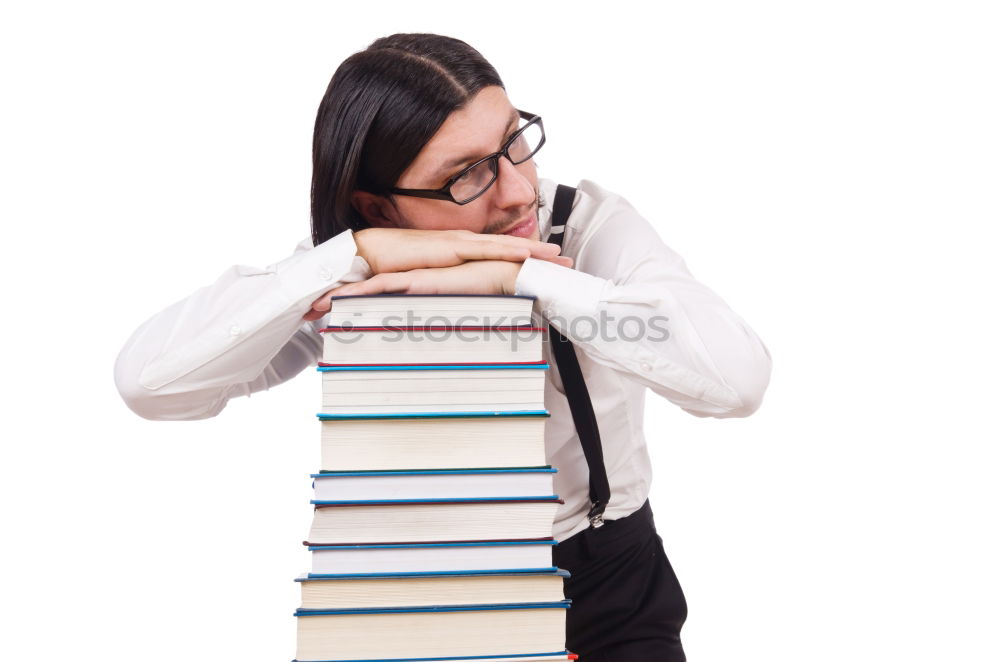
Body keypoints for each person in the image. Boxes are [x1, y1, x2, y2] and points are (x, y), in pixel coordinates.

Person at [114, 33, 772, 661]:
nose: (519, 190)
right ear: (377, 207)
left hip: (601, 580)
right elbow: (151, 385)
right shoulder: (346, 271)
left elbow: (736, 381)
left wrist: (519, 274)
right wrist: (348, 255)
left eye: (515, 143)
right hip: (411, 589)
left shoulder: (588, 228)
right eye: (467, 176)